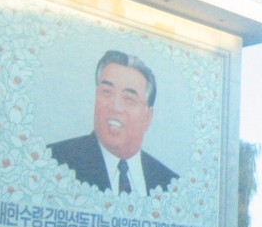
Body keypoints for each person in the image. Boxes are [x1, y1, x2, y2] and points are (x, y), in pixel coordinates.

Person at [48, 50, 178, 195]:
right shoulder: (53, 162)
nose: (115, 107)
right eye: (106, 92)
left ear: (148, 117)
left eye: (129, 99)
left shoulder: (170, 184)